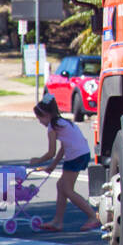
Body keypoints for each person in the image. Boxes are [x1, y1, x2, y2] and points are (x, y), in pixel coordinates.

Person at [29, 96, 100, 232]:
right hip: (82, 153)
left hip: (76, 156)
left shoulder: (52, 127)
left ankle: (93, 216)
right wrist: (53, 166)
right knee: (60, 185)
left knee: (67, 189)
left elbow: (51, 152)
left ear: (46, 115)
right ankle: (57, 221)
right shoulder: (62, 122)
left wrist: (37, 160)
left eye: (39, 118)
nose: (39, 122)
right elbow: (63, 147)